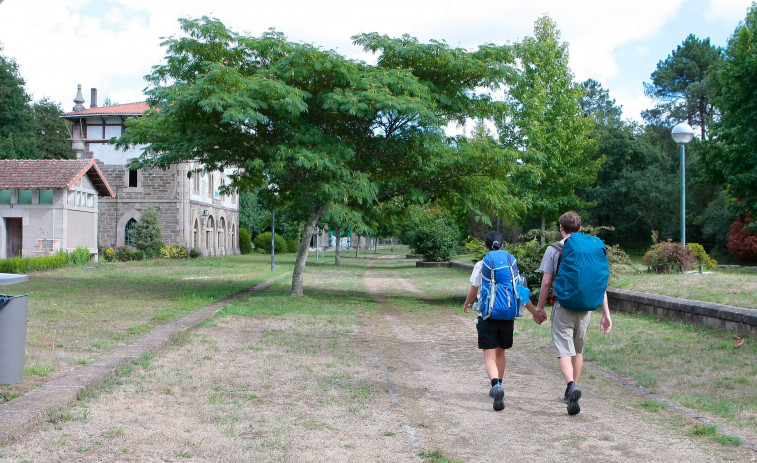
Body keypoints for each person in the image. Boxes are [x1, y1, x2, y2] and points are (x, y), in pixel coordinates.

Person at [534, 211, 612, 416]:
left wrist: (540, 308)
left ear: (561, 228)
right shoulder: (591, 249)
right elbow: (599, 283)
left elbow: (546, 282)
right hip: (586, 309)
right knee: (578, 351)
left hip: (563, 306)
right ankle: (573, 389)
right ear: (580, 228)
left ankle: (570, 386)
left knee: (563, 350)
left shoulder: (554, 250)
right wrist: (606, 314)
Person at [463, 231, 546, 411]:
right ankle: (499, 382)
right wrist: (535, 312)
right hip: (507, 316)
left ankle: (495, 386)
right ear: (502, 246)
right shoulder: (510, 264)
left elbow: (473, 290)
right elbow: (520, 292)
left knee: (489, 355)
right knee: (501, 353)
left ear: (486, 247)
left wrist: (467, 303)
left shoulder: (481, 264)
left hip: (487, 316)